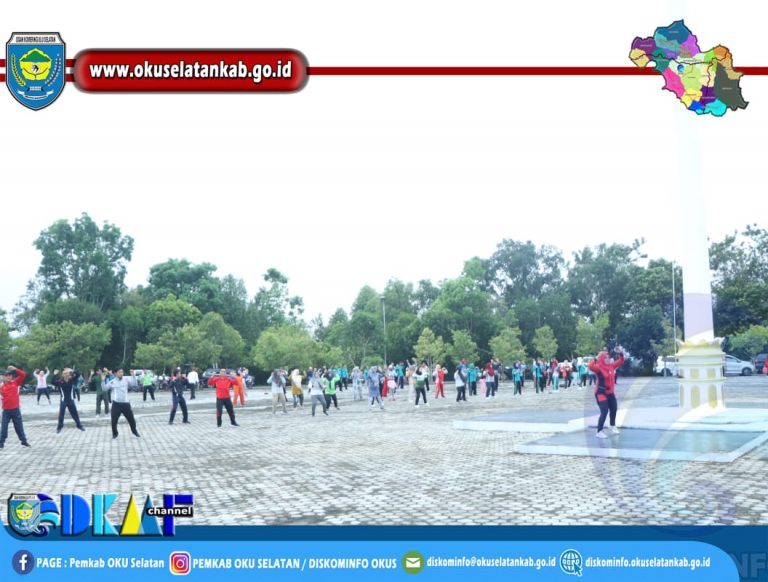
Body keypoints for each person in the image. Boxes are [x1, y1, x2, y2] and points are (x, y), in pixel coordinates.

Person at [589, 348, 625, 438]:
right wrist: (596, 358)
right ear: (602, 359)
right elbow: (590, 366)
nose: (608, 359)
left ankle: (612, 425)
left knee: (614, 409)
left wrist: (620, 353)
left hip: (610, 393)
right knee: (604, 411)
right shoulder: (598, 367)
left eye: (608, 357)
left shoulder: (612, 366)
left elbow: (621, 361)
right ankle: (599, 431)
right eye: (605, 358)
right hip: (601, 393)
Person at [104, 368, 140, 439]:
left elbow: (134, 385)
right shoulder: (112, 382)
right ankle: (115, 434)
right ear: (116, 373)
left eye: (122, 372)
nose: (121, 374)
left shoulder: (126, 380)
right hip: (116, 404)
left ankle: (134, 431)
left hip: (126, 403)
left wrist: (133, 376)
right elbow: (104, 389)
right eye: (119, 372)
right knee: (114, 420)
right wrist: (102, 381)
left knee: (131, 419)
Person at [0, 366, 30, 448]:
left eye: (10, 375)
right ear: (3, 377)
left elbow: (23, 374)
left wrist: (15, 369)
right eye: (6, 375)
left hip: (15, 410)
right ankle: (1, 442)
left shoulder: (15, 383)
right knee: (4, 427)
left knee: (19, 427)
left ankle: (24, 441)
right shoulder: (1, 386)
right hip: (6, 411)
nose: (9, 377)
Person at [53, 368, 86, 433]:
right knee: (61, 414)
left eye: (67, 374)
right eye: (65, 374)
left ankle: (79, 426)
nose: (66, 375)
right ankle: (59, 427)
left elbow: (78, 374)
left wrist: (72, 370)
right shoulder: (60, 381)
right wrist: (54, 374)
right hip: (63, 400)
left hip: (71, 400)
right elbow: (53, 382)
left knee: (75, 413)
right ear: (63, 375)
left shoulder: (72, 380)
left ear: (69, 374)